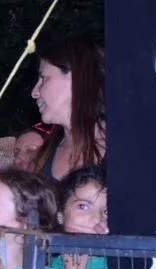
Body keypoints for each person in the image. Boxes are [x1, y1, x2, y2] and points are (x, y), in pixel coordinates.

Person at [32, 35, 106, 180]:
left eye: (44, 78)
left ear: (76, 77)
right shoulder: (43, 156)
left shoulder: (127, 148)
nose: (34, 92)